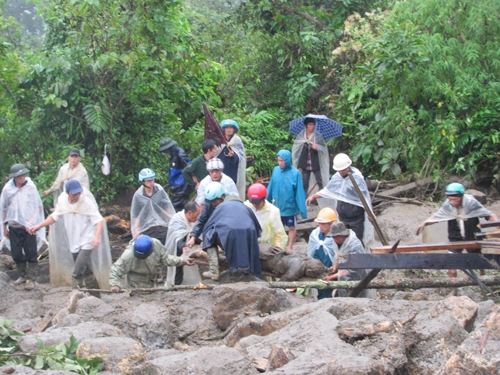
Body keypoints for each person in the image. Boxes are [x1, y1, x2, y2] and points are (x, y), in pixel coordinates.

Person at [29, 180, 111, 296]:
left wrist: (96, 237)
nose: (77, 196)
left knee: (76, 272)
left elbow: (98, 221)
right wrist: (39, 225)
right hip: (73, 241)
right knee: (86, 270)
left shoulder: (86, 202)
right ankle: (96, 296)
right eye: (74, 194)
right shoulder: (63, 202)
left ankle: (75, 296)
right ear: (67, 193)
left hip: (87, 241)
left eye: (79, 193)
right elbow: (54, 217)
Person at [416, 182, 499, 278]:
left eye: (455, 199)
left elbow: (489, 215)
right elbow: (438, 217)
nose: (452, 202)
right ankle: (453, 285)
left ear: (461, 196)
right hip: (455, 238)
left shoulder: (471, 203)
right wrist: (424, 223)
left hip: (472, 236)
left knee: (477, 259)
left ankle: (483, 277)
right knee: (451, 262)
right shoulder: (448, 204)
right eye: (450, 199)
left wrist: (498, 226)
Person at [306, 153, 374, 246]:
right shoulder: (337, 177)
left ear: (348, 166)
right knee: (342, 241)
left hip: (356, 217)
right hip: (342, 216)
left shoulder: (357, 178)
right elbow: (328, 190)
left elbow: (363, 197)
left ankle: (358, 258)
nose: (341, 172)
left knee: (356, 241)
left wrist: (370, 212)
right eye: (339, 170)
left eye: (343, 169)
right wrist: (313, 196)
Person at [199, 182, 262, 280]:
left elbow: (208, 227)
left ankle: (214, 270)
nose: (213, 204)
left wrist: (204, 241)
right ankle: (246, 266)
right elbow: (257, 228)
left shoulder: (220, 207)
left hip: (230, 237)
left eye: (215, 201)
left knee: (209, 234)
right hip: (249, 239)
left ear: (222, 197)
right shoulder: (245, 207)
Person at [0, 164, 45, 290]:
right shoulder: (7, 190)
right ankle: (22, 276)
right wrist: (4, 226)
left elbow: (38, 207)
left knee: (31, 252)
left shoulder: (30, 187)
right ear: (14, 177)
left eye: (24, 175)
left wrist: (31, 222)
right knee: (16, 253)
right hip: (14, 226)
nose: (22, 177)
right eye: (19, 176)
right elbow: (3, 208)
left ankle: (31, 278)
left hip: (29, 227)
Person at [109, 234, 194, 291]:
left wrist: (183, 260)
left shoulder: (156, 245)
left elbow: (166, 259)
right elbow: (115, 270)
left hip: (153, 282)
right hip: (136, 286)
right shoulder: (128, 256)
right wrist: (115, 285)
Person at [267, 150, 308, 251]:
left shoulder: (295, 173)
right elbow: (271, 186)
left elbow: (299, 192)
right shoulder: (276, 170)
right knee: (276, 228)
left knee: (291, 227)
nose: (279, 163)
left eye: (282, 160)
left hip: (289, 206)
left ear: (287, 161)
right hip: (276, 205)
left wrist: (302, 210)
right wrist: (265, 201)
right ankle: (278, 246)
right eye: (278, 160)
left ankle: (290, 246)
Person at [322, 221, 367, 297]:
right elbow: (340, 256)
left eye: (336, 237)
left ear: (343, 235)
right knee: (342, 294)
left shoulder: (354, 246)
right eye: (333, 237)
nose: (334, 239)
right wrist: (335, 266)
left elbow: (349, 270)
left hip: (356, 276)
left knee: (355, 296)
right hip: (343, 277)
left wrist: (331, 277)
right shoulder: (338, 243)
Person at [131, 168, 175, 244]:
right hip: (147, 227)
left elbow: (166, 206)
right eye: (148, 180)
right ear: (142, 181)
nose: (151, 182)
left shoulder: (159, 190)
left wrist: (172, 221)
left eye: (152, 180)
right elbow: (136, 214)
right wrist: (136, 231)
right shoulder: (138, 195)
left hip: (162, 224)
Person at [164, 202, 201, 286]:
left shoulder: (191, 221)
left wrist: (202, 242)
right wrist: (182, 247)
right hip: (175, 248)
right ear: (190, 213)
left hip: (185, 245)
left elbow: (192, 235)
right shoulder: (177, 220)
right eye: (197, 214)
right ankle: (175, 287)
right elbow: (178, 236)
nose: (198, 217)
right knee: (177, 270)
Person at [292, 117, 329, 195]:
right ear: (305, 126)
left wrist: (317, 148)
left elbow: (324, 149)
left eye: (313, 124)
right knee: (304, 184)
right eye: (310, 124)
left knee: (320, 182)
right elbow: (298, 151)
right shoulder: (301, 136)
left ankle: (319, 199)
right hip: (305, 165)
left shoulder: (317, 136)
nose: (312, 126)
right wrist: (299, 166)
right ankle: (304, 200)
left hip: (315, 164)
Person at [244, 183, 288, 249]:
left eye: (257, 203)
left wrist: (277, 249)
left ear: (263, 199)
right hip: (248, 245)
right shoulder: (245, 207)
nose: (255, 205)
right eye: (253, 203)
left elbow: (279, 234)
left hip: (266, 248)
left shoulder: (273, 211)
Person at [307, 208, 338, 299]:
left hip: (333, 269)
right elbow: (313, 253)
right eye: (319, 223)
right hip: (319, 269)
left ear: (331, 223)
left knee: (331, 292)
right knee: (321, 290)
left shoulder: (337, 236)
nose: (321, 226)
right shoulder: (315, 235)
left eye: (324, 224)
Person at [158, 137, 193, 212]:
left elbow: (189, 169)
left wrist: (186, 187)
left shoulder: (180, 154)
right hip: (177, 186)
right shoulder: (174, 154)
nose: (166, 153)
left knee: (176, 208)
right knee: (180, 208)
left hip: (181, 187)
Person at [216, 119, 246, 200]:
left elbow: (241, 156)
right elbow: (215, 153)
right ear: (224, 129)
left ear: (234, 129)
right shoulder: (219, 140)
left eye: (231, 128)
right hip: (220, 171)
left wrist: (233, 155)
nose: (229, 130)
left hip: (232, 171)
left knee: (231, 193)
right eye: (227, 128)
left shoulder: (237, 140)